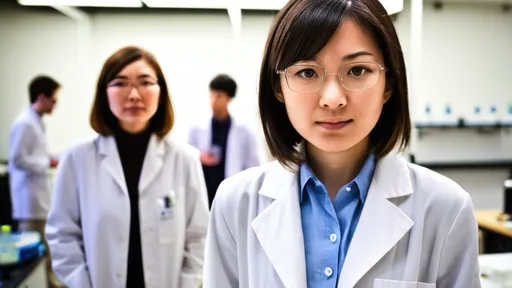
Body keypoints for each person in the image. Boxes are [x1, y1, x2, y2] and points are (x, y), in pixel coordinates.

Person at [203, 0, 481, 287]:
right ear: (278, 88)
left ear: (388, 84)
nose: (333, 98)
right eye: (307, 72)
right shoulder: (234, 203)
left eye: (358, 70)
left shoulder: (445, 208)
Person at [45, 46, 209, 288]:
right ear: (104, 92)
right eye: (120, 83)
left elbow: (198, 237)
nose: (133, 94)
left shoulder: (184, 159)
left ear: (160, 91)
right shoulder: (77, 159)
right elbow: (62, 233)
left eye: (145, 82)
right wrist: (80, 283)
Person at [8, 75, 63, 288]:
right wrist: (47, 163)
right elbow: (18, 160)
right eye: (54, 100)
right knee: (33, 253)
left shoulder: (35, 121)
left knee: (46, 247)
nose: (55, 105)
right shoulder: (24, 123)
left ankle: (51, 283)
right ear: (42, 97)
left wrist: (55, 158)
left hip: (37, 197)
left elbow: (38, 154)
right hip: (28, 201)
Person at [188, 74, 261, 208]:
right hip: (204, 192)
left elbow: (253, 166)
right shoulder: (197, 128)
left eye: (219, 96)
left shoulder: (244, 131)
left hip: (230, 194)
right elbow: (187, 156)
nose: (214, 100)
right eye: (212, 95)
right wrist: (200, 156)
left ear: (229, 98)